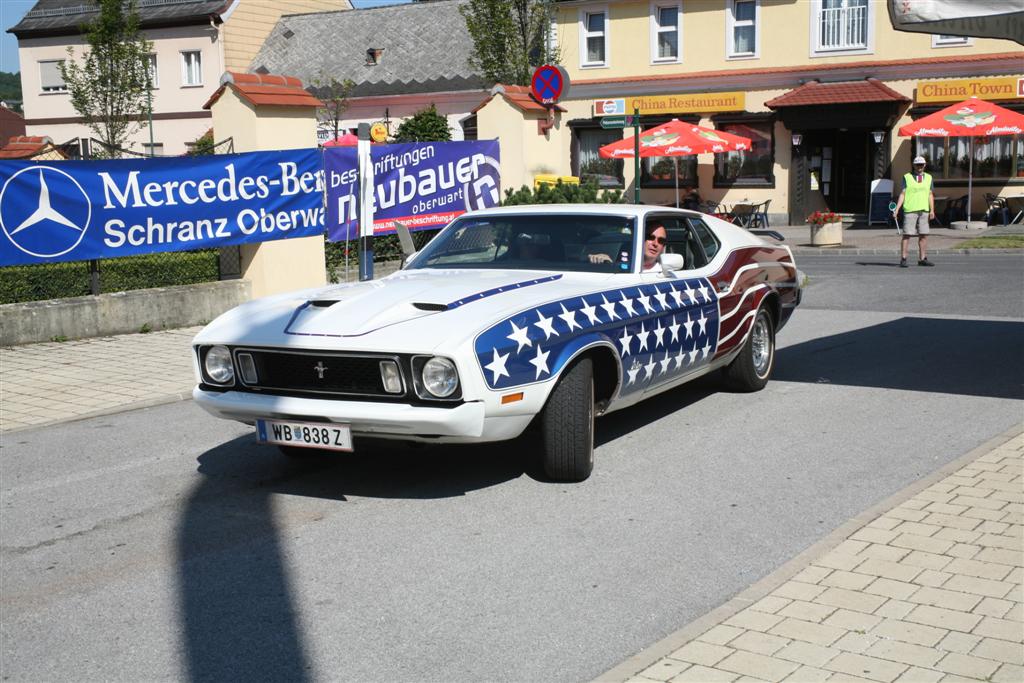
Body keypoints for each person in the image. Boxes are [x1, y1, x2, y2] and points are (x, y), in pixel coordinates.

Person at [893, 155, 935, 268]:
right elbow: (903, 194)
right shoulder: (907, 177)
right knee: (907, 235)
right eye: (917, 164)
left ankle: (922, 259)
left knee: (924, 235)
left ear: (925, 165)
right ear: (914, 165)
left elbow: (930, 195)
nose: (919, 167)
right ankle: (903, 258)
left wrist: (932, 210)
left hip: (924, 210)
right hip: (910, 210)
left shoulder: (929, 177)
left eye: (921, 164)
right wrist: (897, 209)